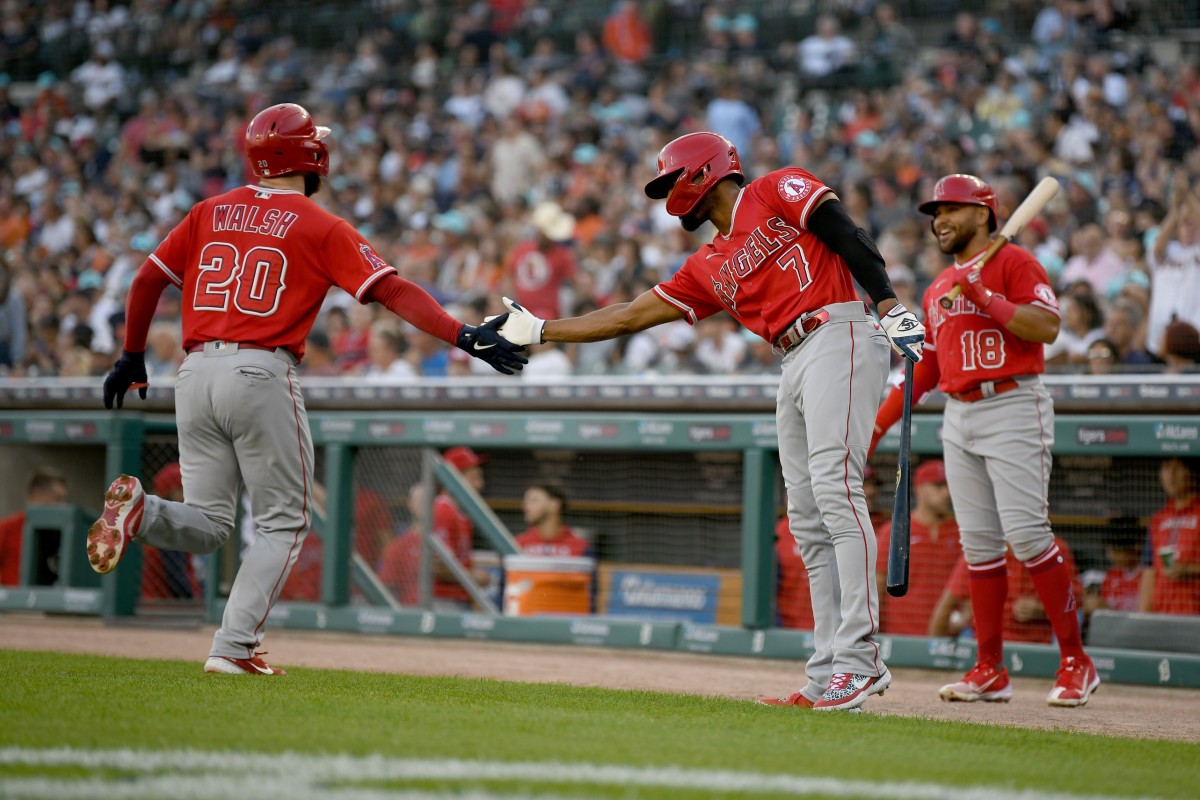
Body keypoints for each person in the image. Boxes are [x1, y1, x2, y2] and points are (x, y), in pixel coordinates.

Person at [86, 103, 527, 676]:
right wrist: (462, 335)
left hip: (192, 375)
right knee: (284, 522)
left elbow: (147, 279)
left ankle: (142, 512)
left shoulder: (208, 210)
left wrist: (131, 354)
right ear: (308, 156)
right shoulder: (320, 224)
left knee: (212, 524)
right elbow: (391, 290)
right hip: (259, 371)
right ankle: (234, 646)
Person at [493, 131, 926, 711]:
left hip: (838, 329)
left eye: (671, 179)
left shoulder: (774, 189)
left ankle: (862, 660)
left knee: (835, 490)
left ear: (703, 172)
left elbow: (846, 232)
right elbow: (627, 318)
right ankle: (827, 671)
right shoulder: (707, 263)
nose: (669, 193)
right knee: (805, 520)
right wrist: (542, 330)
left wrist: (887, 301)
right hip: (792, 357)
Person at [871, 173, 1099, 708]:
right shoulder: (936, 288)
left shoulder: (1014, 262)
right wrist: (877, 426)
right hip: (960, 412)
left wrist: (984, 296)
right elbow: (925, 367)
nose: (940, 220)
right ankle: (990, 667)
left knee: (1027, 535)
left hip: (1014, 402)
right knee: (978, 547)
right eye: (935, 213)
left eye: (951, 209)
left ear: (983, 214)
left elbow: (1046, 327)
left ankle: (1076, 661)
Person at [929, 537, 1082, 655]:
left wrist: (1040, 609)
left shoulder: (1055, 549)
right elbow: (946, 607)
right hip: (984, 649)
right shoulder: (983, 549)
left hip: (1038, 650)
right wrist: (932, 655)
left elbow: (1079, 605)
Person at [873, 459, 961, 636]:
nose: (946, 493)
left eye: (948, 486)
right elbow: (877, 586)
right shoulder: (895, 530)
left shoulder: (959, 531)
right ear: (919, 488)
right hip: (900, 637)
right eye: (938, 486)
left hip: (949, 639)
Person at [1139, 457, 1200, 615]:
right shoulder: (1158, 519)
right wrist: (1142, 617)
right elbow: (1149, 570)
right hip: (1162, 614)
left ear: (1191, 472)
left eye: (1178, 468)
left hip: (1194, 613)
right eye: (1166, 468)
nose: (1171, 475)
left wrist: (1188, 570)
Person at [139, 462, 200, 600]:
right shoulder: (166, 523)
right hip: (166, 606)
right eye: (184, 490)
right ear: (172, 490)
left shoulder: (151, 516)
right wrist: (194, 604)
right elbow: (177, 579)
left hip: (154, 603)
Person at [0, 467, 68, 586]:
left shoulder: (63, 533)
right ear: (38, 495)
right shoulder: (8, 528)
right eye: (57, 499)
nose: (62, 506)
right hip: (14, 601)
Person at [1082, 516, 1145, 615]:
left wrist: (1107, 610)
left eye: (1117, 551)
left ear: (1136, 546)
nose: (1111, 557)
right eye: (1110, 551)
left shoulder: (1147, 576)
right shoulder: (1112, 575)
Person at [514, 483, 589, 557]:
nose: (525, 506)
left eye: (534, 500)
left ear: (554, 505)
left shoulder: (581, 547)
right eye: (526, 501)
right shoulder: (518, 544)